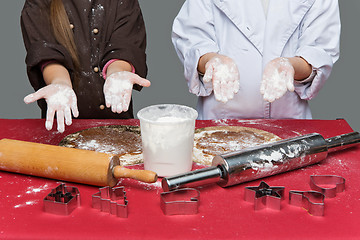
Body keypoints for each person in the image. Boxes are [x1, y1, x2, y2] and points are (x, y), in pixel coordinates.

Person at [172, 0, 340, 120]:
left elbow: (319, 51)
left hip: (290, 123)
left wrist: (290, 66)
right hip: (220, 121)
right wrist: (212, 61)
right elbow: (192, 39)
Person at [21, 0, 150, 132]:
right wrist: (60, 83)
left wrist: (117, 74)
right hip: (62, 125)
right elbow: (47, 54)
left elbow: (124, 47)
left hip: (116, 125)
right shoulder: (38, 3)